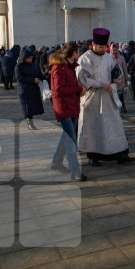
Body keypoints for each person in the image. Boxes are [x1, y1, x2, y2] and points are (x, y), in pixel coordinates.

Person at [77, 28, 135, 166]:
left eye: (104, 47)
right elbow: (82, 79)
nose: (103, 49)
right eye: (100, 46)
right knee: (94, 126)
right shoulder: (85, 58)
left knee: (114, 125)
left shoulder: (109, 57)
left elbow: (116, 71)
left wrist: (116, 80)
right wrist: (100, 84)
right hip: (92, 98)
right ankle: (93, 157)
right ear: (93, 44)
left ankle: (121, 154)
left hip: (108, 97)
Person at [49, 43, 87, 181]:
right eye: (78, 52)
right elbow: (58, 90)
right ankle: (75, 171)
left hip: (72, 106)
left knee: (67, 137)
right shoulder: (58, 68)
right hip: (63, 108)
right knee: (71, 141)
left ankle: (56, 162)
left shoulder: (70, 67)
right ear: (74, 53)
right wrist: (78, 89)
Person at [15, 49, 45, 130]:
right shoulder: (19, 66)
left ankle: (31, 123)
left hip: (34, 89)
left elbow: (39, 73)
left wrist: (45, 75)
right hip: (25, 90)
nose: (30, 59)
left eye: (31, 58)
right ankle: (30, 124)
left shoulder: (33, 64)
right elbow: (19, 77)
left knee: (33, 107)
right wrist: (32, 80)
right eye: (29, 58)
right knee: (27, 108)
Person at [110, 43, 129, 114]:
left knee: (121, 95)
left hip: (121, 79)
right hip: (112, 79)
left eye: (116, 50)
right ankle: (114, 108)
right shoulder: (108, 58)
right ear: (110, 49)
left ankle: (123, 107)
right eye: (113, 50)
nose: (114, 51)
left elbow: (125, 69)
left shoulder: (121, 58)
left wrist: (126, 79)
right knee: (113, 95)